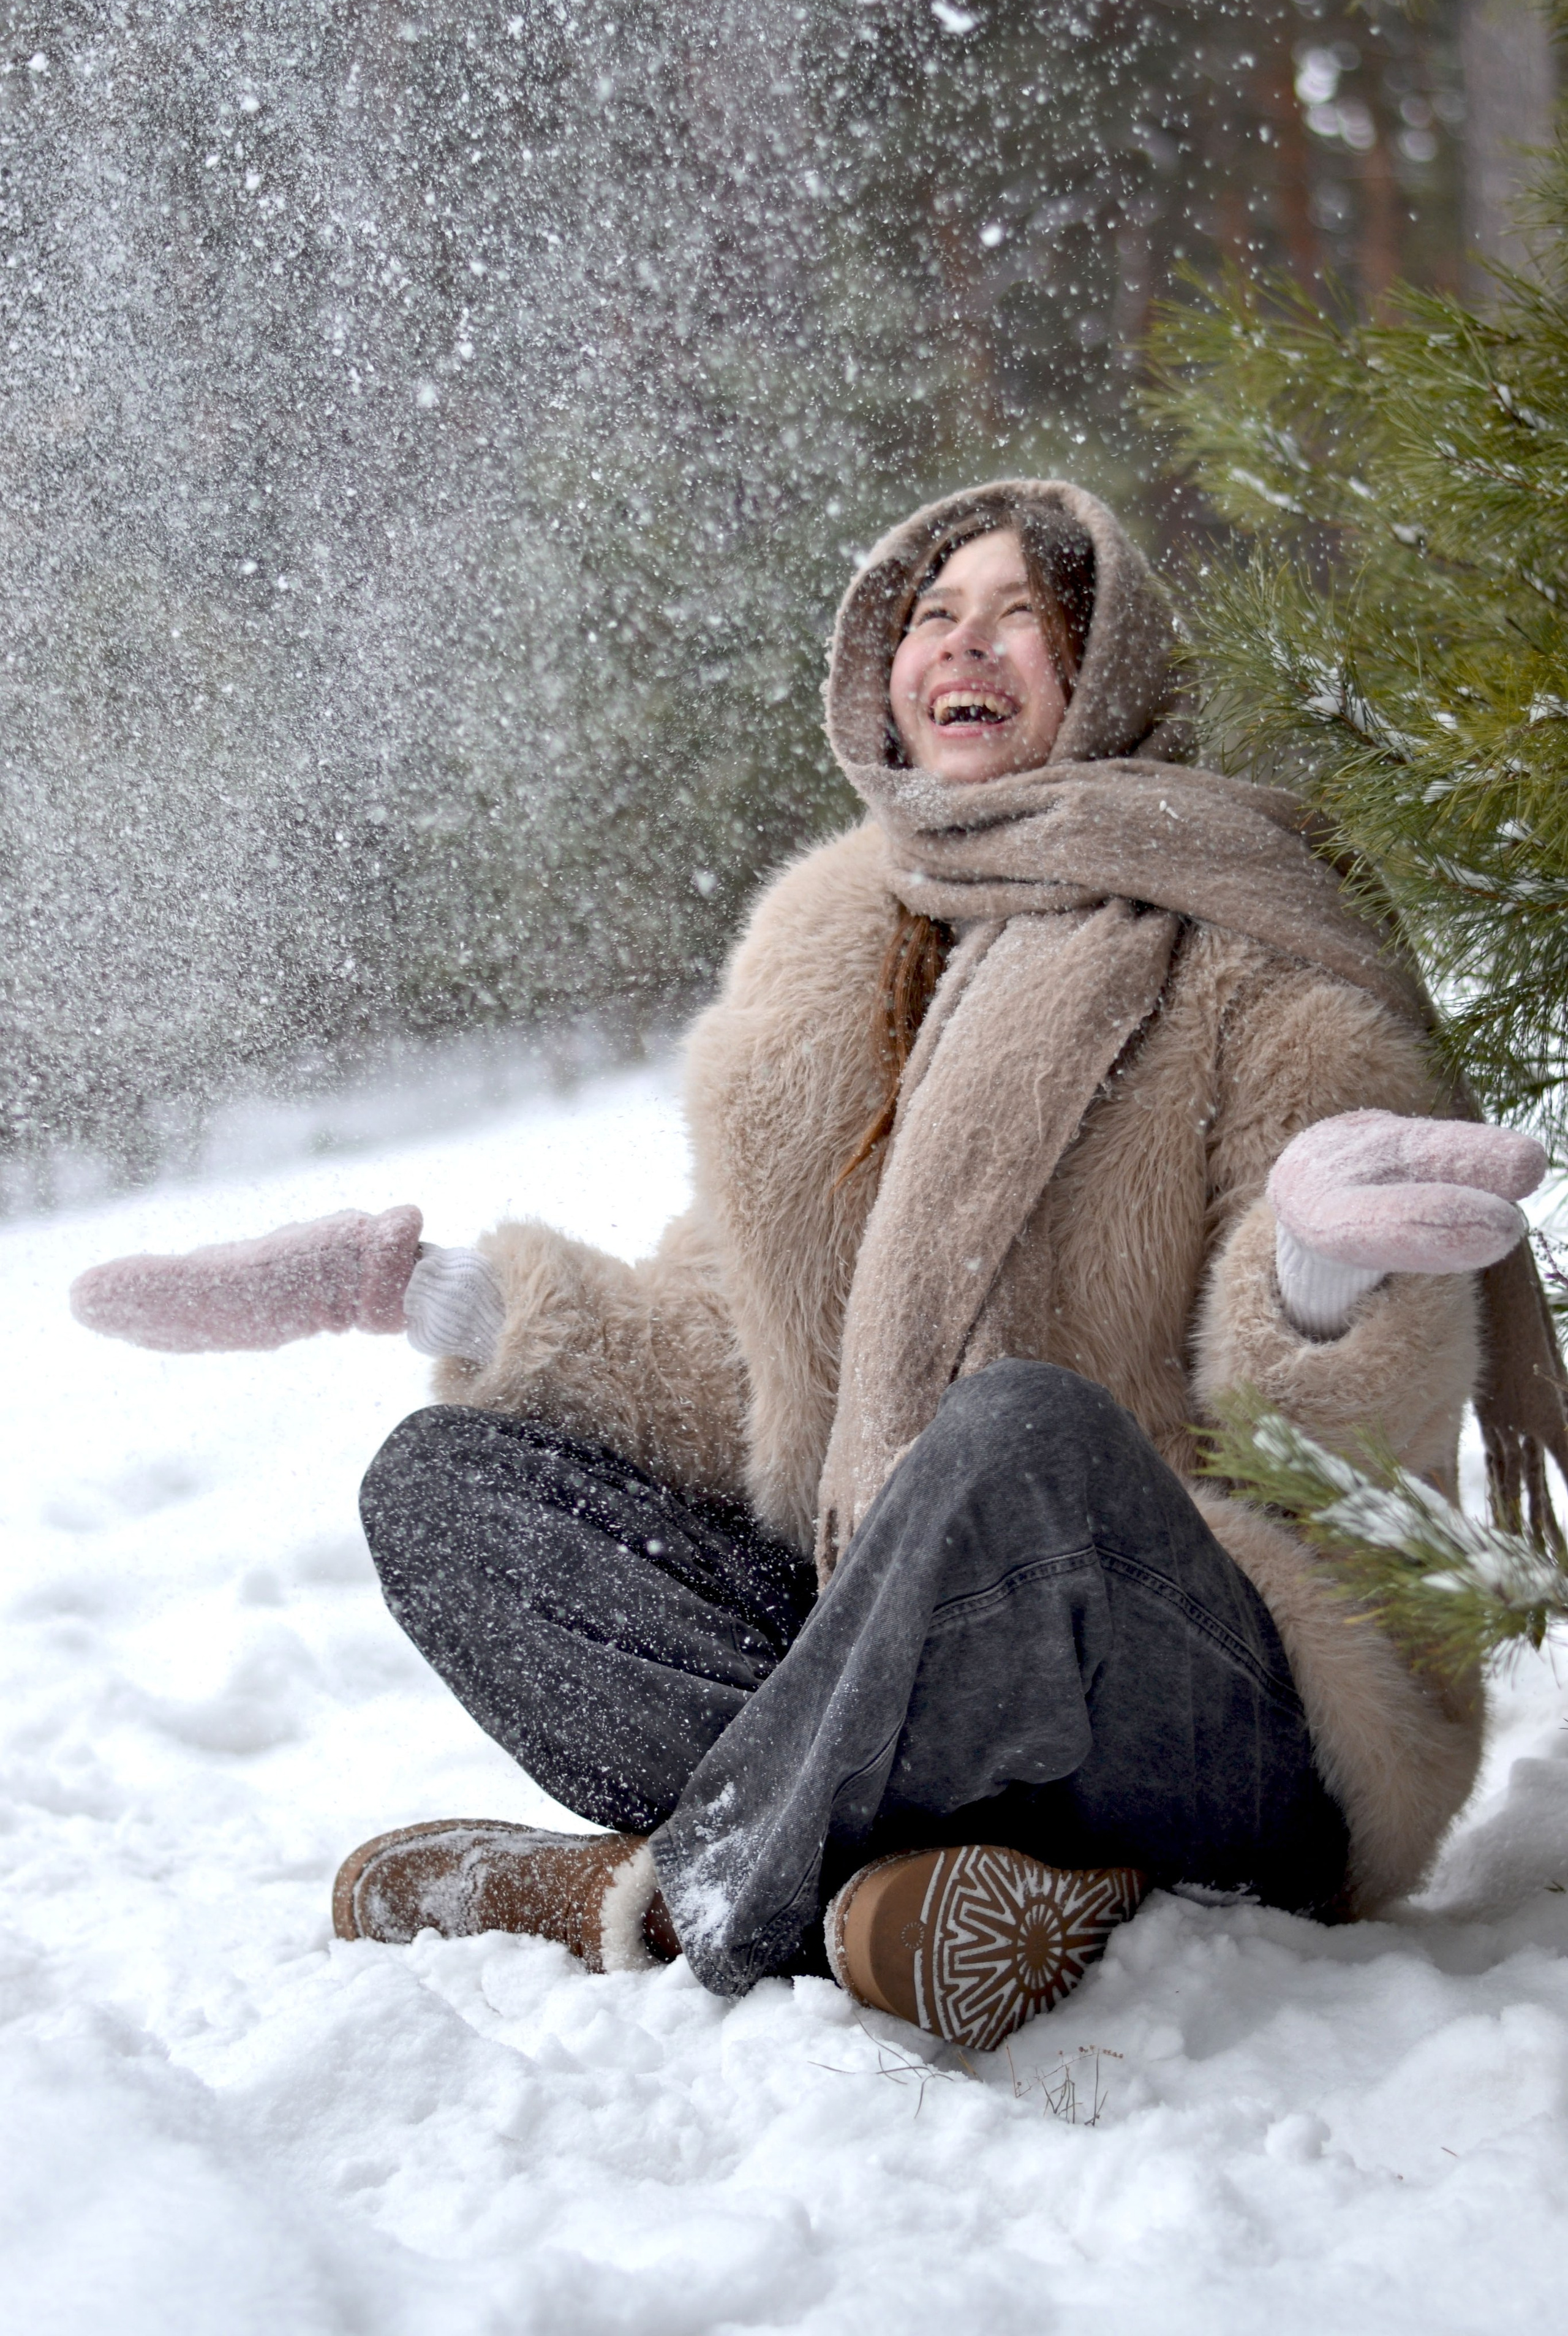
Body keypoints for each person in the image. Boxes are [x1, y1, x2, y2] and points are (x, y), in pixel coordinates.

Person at [72, 481, 1565, 2053]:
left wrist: (1321, 1270)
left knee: (1020, 1440)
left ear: (1103, 667)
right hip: (902, 1637)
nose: (959, 644)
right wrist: (424, 1292)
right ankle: (965, 1889)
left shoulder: (1250, 938)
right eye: (929, 616)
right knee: (444, 1486)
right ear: (882, 676)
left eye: (1013, 618)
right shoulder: (830, 943)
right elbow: (741, 1360)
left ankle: (655, 1895)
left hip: (1220, 1704)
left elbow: (1341, 1474)